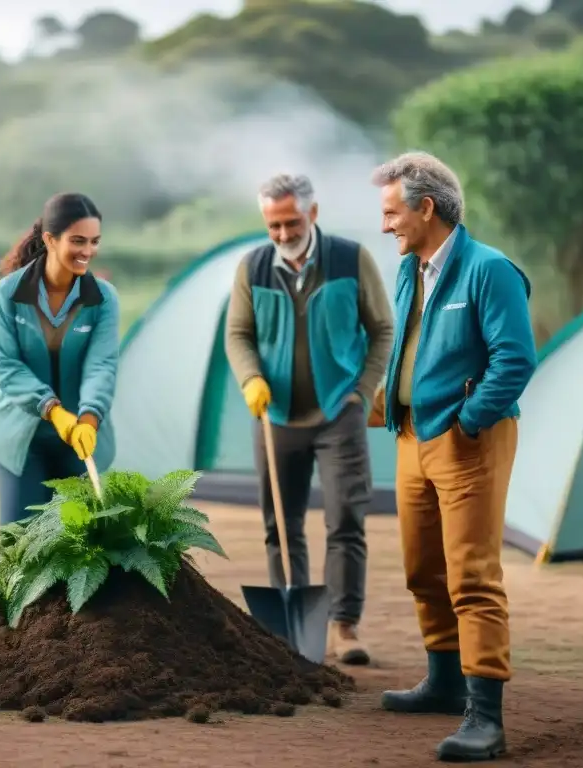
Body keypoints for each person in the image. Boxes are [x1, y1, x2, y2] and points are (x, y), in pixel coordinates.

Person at [371, 152, 536, 762]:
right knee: (423, 568)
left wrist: (470, 421)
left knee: (472, 576)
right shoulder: (410, 269)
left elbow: (514, 359)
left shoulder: (490, 271)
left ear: (426, 207)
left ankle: (485, 717)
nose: (385, 225)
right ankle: (443, 681)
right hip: (413, 436)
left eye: (391, 213)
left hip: (468, 440)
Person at [225, 173, 394, 666]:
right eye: (273, 225)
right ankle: (295, 628)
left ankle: (343, 626)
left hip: (339, 412)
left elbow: (382, 330)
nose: (282, 234)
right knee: (281, 525)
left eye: (291, 222)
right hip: (274, 415)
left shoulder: (350, 259)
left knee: (346, 519)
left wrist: (361, 394)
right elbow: (238, 334)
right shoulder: (251, 268)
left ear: (313, 214)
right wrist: (251, 379)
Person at [0, 192, 119, 526]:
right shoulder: (7, 295)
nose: (87, 251)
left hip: (82, 437)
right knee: (20, 547)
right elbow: (8, 368)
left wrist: (88, 418)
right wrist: (53, 412)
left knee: (79, 551)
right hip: (21, 438)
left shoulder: (102, 299)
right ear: (50, 239)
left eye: (94, 241)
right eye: (77, 241)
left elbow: (101, 365)